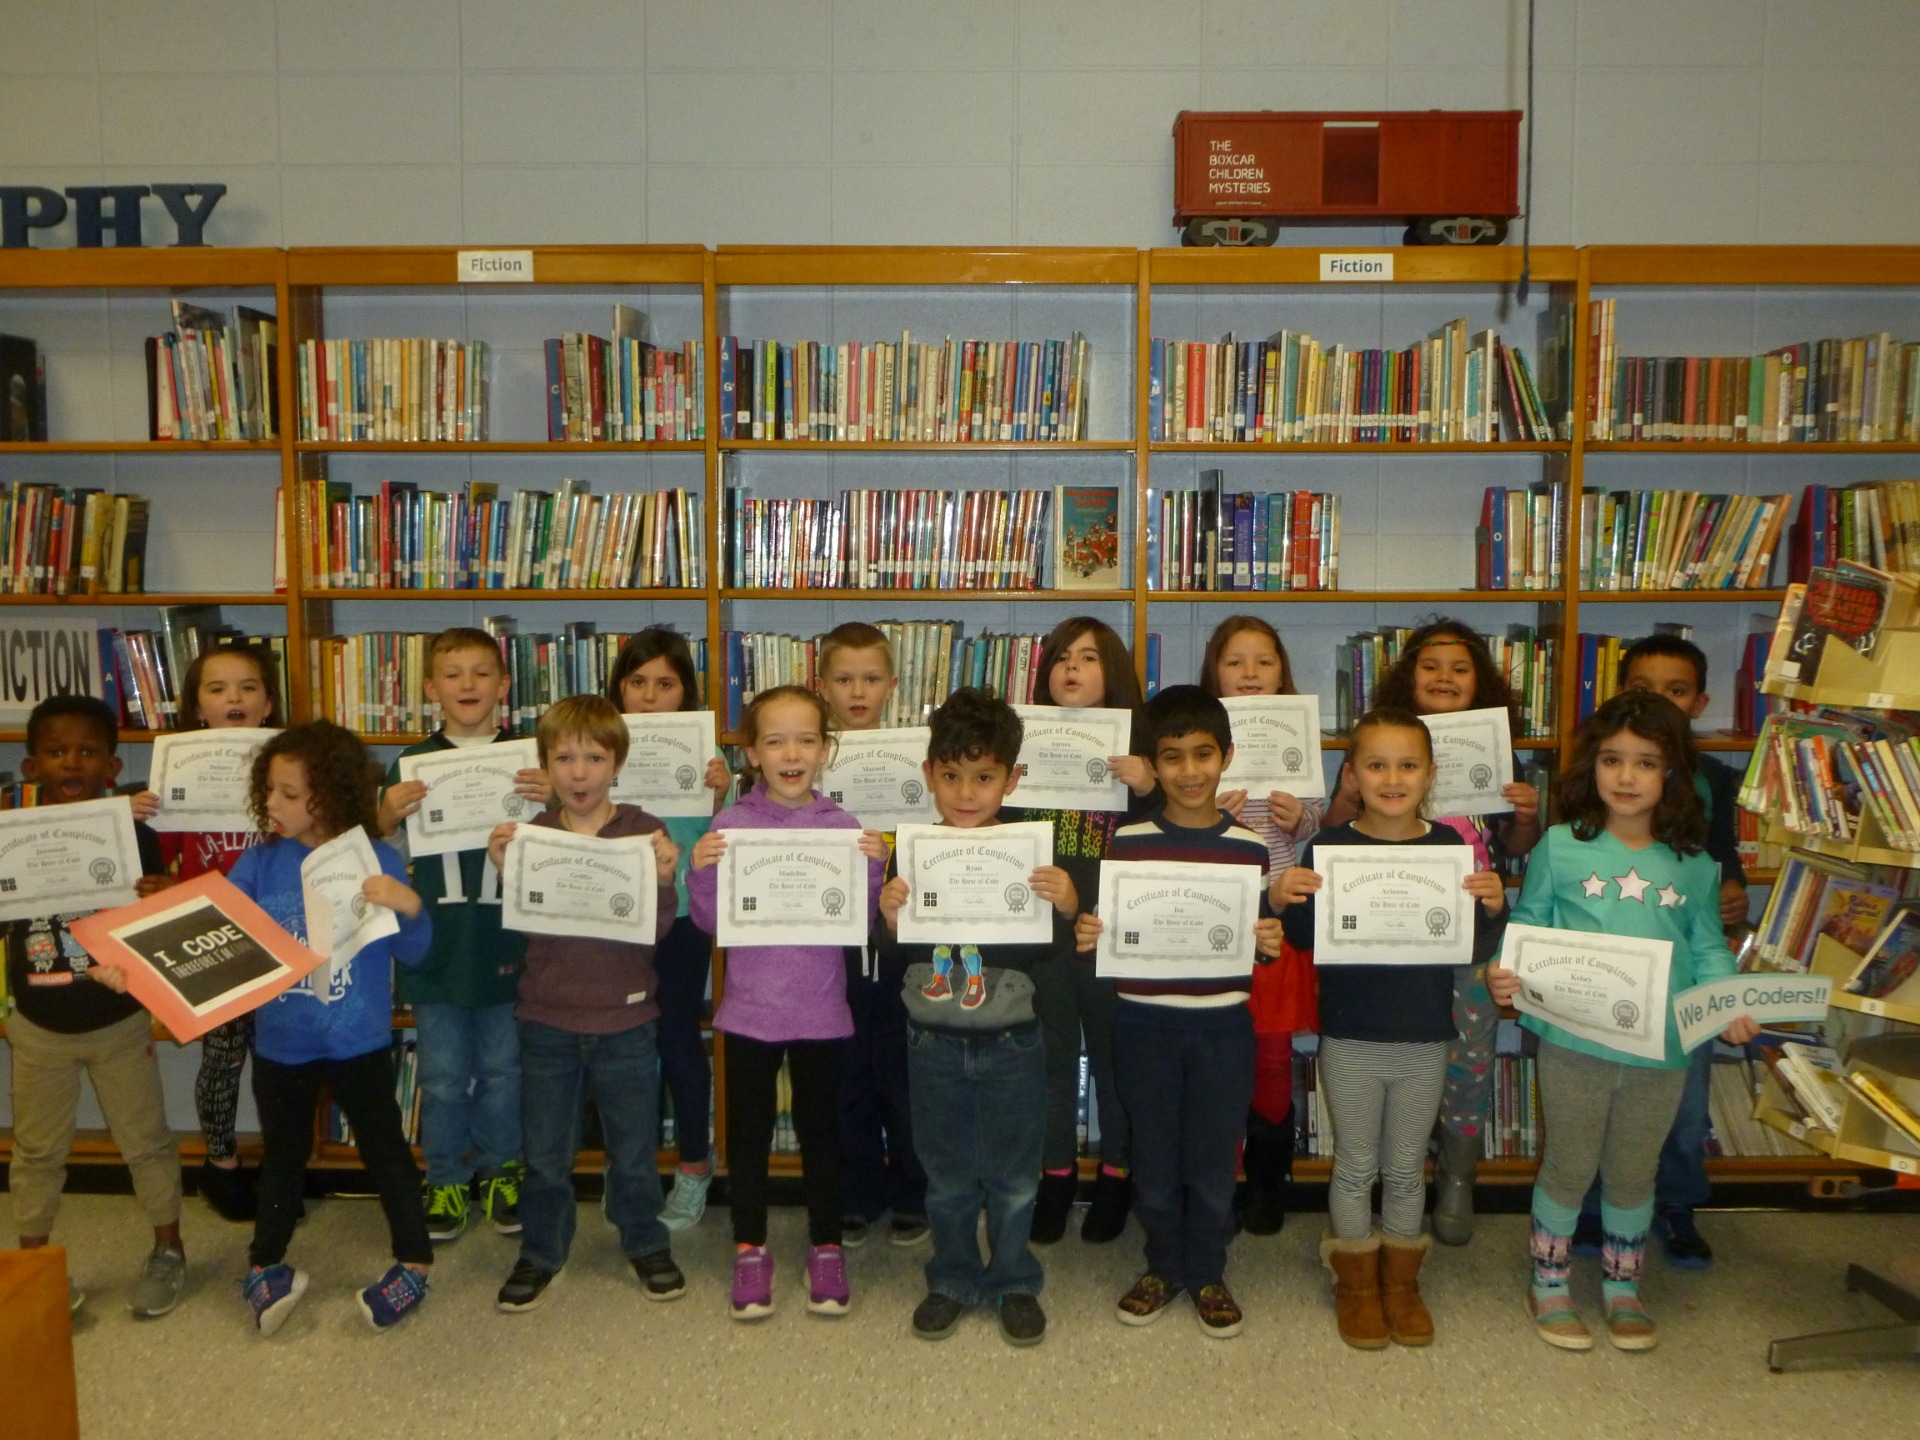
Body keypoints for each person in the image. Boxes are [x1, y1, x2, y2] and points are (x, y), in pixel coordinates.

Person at [1487, 691, 1760, 1353]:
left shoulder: (1693, 862)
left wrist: (1727, 1002)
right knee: (1571, 1162)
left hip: (1662, 1046)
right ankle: (1549, 1282)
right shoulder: (1561, 846)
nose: (1628, 777)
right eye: (1613, 760)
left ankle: (1623, 1284)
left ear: (1673, 774)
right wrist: (1507, 970)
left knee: (1636, 1169)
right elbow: (1531, 923)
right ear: (1592, 768)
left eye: (1646, 762)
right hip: (1574, 1040)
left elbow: (1706, 945)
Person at [1275, 707, 1509, 1349]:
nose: (1392, 778)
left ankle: (1401, 1282)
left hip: (1425, 1037)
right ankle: (1354, 1281)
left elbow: (1471, 945)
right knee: (1354, 1163)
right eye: (1376, 765)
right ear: (1351, 774)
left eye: (1408, 765)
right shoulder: (1328, 846)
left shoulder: (1451, 850)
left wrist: (1493, 907)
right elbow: (1302, 936)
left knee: (1406, 1167)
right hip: (1349, 1035)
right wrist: (1283, 897)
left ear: (1430, 775)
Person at [1072, 686, 1284, 1339]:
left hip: (1223, 1026)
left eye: (1203, 755)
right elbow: (1111, 929)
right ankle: (1164, 1266)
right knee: (1156, 1159)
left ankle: (1209, 1271)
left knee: (1216, 1161)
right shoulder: (1127, 842)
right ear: (1153, 764)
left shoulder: (1251, 849)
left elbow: (1260, 938)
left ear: (1227, 757)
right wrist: (1090, 935)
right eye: (1172, 758)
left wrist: (1268, 942)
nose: (1189, 772)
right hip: (1143, 1024)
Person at [1325, 617, 1542, 1244]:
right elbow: (1336, 829)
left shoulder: (1502, 755)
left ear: (1483, 681)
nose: (1444, 677)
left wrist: (1526, 816)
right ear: (1406, 675)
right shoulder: (1376, 747)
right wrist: (1343, 793)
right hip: (1389, 941)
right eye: (1431, 666)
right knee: (1395, 1055)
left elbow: (1515, 846)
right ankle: (1390, 1188)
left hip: (1470, 937)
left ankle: (1456, 1178)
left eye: (1460, 668)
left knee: (1468, 1063)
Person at [875, 689, 1078, 1346]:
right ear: (929, 774)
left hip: (1013, 1041)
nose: (967, 792)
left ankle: (1014, 1277)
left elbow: (1046, 949)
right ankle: (954, 1276)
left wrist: (1066, 903)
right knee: (948, 1175)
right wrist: (888, 914)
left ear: (1012, 780)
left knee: (1015, 1176)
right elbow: (894, 953)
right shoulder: (914, 852)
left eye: (985, 777)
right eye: (952, 776)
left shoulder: (1029, 852)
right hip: (931, 1040)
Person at [220, 722, 434, 1334]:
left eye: (291, 794)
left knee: (386, 1152)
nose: (274, 807)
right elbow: (219, 936)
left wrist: (411, 906)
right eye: (270, 793)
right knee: (283, 1157)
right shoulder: (258, 863)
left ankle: (415, 1260)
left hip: (357, 1041)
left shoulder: (378, 858)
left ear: (333, 794)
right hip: (282, 1045)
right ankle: (265, 1263)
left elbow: (416, 954)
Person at [689, 685, 888, 1321]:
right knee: (747, 1137)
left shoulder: (844, 828)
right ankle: (751, 1247)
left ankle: (826, 1245)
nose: (791, 752)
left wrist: (876, 870)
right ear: (751, 752)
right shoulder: (731, 825)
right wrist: (699, 869)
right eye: (774, 741)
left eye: (806, 739)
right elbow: (708, 921)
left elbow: (858, 923)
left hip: (822, 1012)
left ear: (826, 750)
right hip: (748, 1012)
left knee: (820, 1135)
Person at [489, 695, 684, 1313]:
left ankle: (645, 1242)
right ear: (544, 766)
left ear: (617, 763)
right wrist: (505, 869)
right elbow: (527, 929)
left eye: (593, 758)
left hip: (626, 1017)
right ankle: (542, 1250)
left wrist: (661, 881)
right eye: (564, 758)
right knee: (545, 1151)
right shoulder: (534, 835)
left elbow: (657, 931)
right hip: (547, 1017)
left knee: (632, 1148)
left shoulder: (642, 830)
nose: (578, 773)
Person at [1573, 635, 1752, 1267]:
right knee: (1596, 1106)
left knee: (1681, 1109)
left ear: (1700, 701)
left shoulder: (1714, 781)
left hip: (1680, 983)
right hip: (1604, 984)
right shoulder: (1595, 778)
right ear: (1621, 694)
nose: (1661, 702)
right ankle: (1595, 1208)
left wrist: (1735, 895)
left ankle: (1676, 1204)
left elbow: (1720, 865)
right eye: (1643, 689)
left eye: (1676, 691)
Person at [4, 695, 181, 1318]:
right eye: (55, 753)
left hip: (117, 1019)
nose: (70, 763)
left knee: (146, 1141)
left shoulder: (134, 835)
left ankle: (168, 1248)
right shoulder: (9, 836)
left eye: (86, 752)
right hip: (37, 1026)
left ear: (111, 766)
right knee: (36, 1151)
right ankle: (32, 1262)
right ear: (31, 768)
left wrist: (161, 894)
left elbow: (157, 922)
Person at [376, 627, 549, 1244]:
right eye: (453, 674)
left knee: (505, 1069)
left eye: (482, 673)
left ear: (504, 685)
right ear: (430, 688)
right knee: (443, 1075)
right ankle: (446, 1176)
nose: (468, 684)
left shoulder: (532, 759)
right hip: (437, 949)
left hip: (507, 943)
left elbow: (563, 847)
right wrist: (387, 818)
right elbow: (385, 861)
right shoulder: (408, 765)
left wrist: (552, 802)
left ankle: (503, 1171)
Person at [136, 643, 285, 1223]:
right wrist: (144, 815)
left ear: (268, 702)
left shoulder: (287, 767)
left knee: (279, 1062)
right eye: (218, 689)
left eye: (248, 687)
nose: (234, 699)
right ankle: (220, 1167)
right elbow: (165, 864)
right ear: (197, 706)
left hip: (279, 933)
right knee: (222, 1057)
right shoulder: (177, 772)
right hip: (211, 936)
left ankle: (282, 1169)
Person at [1025, 616, 1156, 1245]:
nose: (1071, 669)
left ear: (1115, 673)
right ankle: (1053, 1178)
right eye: (1060, 657)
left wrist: (1148, 787)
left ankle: (1115, 1175)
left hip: (1111, 935)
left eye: (1088, 658)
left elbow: (1165, 848)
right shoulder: (1024, 745)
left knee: (1115, 1066)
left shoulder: (1140, 753)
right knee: (1049, 1064)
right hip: (1045, 938)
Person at [1200, 615, 1325, 1234]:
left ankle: (1269, 1182)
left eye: (1264, 662)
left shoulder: (1298, 745)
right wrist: (1204, 811)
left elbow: (1321, 834)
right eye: (1235, 662)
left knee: (1273, 1055)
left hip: (1274, 920)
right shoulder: (1198, 748)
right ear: (1213, 673)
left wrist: (1300, 818)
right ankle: (1217, 1183)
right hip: (1216, 920)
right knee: (1218, 1060)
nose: (1249, 674)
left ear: (1283, 675)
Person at [607, 627, 731, 1232]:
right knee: (618, 1046)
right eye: (637, 683)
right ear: (619, 690)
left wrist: (722, 792)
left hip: (679, 914)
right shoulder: (598, 750)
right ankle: (628, 1168)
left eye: (665, 684)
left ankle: (693, 1165)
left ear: (685, 694)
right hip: (612, 915)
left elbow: (722, 838)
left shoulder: (705, 761)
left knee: (679, 1038)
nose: (650, 697)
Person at [816, 621, 927, 1248]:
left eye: (871, 678)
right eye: (843, 678)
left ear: (890, 683)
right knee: (845, 1073)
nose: (858, 691)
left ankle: (914, 1190)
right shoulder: (806, 756)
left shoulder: (915, 755)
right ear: (823, 685)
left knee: (904, 1070)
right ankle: (856, 1191)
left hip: (901, 939)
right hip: (830, 945)